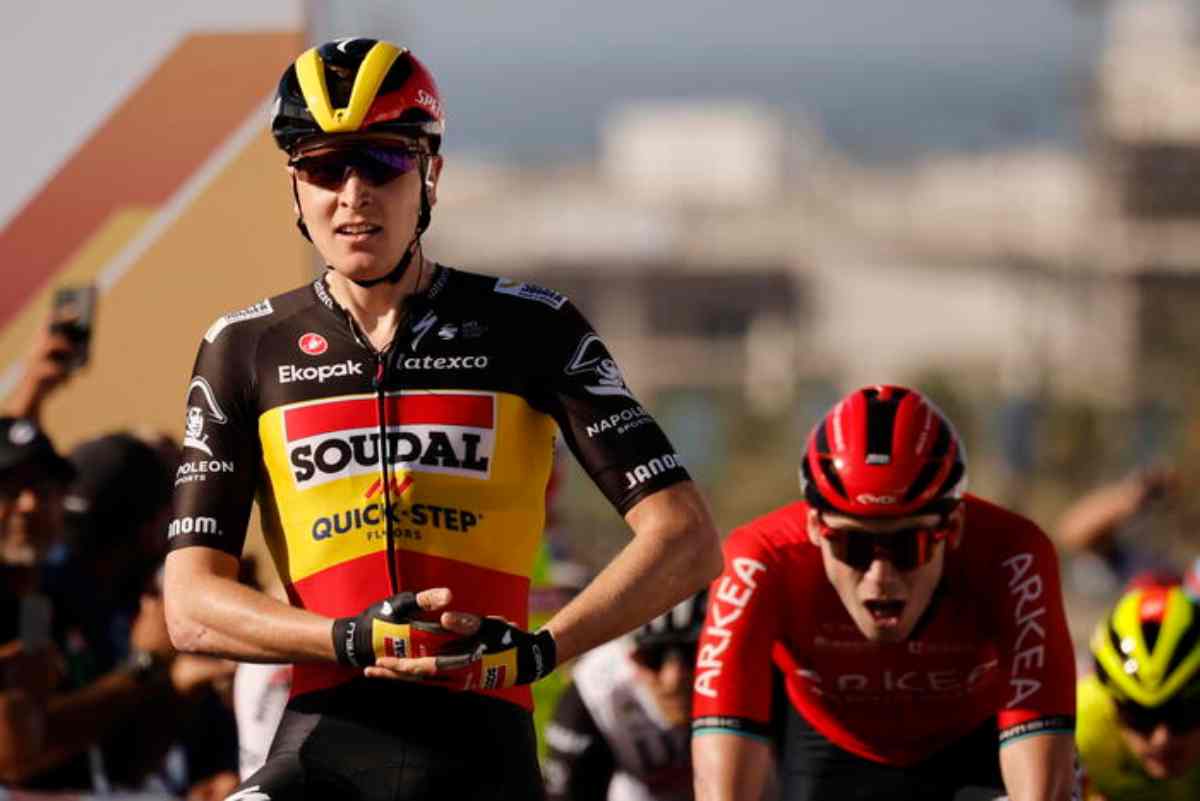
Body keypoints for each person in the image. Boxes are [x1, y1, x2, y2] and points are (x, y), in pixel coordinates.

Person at [162, 38, 722, 800]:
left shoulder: (532, 328)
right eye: (324, 166)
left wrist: (540, 651)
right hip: (324, 741)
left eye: (382, 162)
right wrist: (349, 638)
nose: (352, 194)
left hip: (482, 751)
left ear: (431, 174)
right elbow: (190, 606)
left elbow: (685, 537)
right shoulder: (245, 347)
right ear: (294, 186)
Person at [691, 385, 1078, 801]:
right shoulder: (760, 560)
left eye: (908, 546)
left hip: (974, 744)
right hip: (831, 746)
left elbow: (1042, 793)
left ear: (954, 529)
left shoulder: (1013, 554)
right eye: (853, 547)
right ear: (814, 528)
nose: (881, 576)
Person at [544, 591, 707, 801]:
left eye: (694, 654)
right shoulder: (597, 687)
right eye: (653, 657)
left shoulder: (749, 672)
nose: (673, 679)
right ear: (631, 658)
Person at [1076, 583, 1200, 800]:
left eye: (1182, 713)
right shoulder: (1077, 731)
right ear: (1111, 702)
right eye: (1140, 717)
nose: (1162, 739)